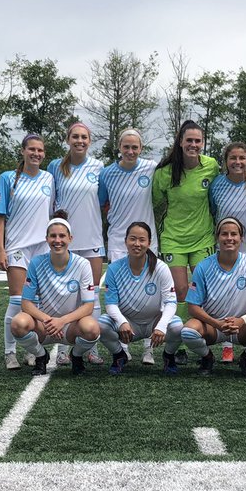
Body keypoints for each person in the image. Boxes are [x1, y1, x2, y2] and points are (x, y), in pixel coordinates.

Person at [181, 216, 246, 375]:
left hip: (242, 327)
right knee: (188, 331)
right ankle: (207, 357)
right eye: (224, 234)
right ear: (217, 237)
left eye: (234, 234)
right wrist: (217, 323)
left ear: (241, 238)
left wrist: (242, 320)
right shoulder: (203, 266)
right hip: (213, 326)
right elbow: (193, 307)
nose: (229, 238)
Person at [10, 214, 101, 376]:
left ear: (70, 238)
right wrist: (48, 320)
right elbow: (26, 303)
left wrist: (62, 321)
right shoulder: (37, 263)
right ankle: (40, 355)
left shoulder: (83, 264)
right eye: (53, 236)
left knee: (92, 328)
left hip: (71, 327)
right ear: (46, 239)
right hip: (44, 326)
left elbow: (88, 306)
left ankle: (76, 356)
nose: (57, 240)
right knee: (18, 323)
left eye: (62, 236)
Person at [0, 134, 55, 369]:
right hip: (17, 246)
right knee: (18, 300)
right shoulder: (8, 178)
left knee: (36, 303)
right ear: (22, 151)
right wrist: (1, 249)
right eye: (32, 149)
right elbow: (0, 217)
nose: (36, 154)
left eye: (40, 151)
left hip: (41, 248)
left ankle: (32, 350)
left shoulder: (49, 178)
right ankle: (9, 352)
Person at [98, 128, 158, 364]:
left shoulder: (151, 168)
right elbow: (102, 202)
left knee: (149, 293)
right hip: (118, 240)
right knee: (121, 293)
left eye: (135, 147)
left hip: (146, 240)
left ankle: (148, 347)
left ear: (141, 149)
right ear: (119, 148)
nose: (130, 151)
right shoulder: (107, 173)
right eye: (126, 147)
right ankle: (123, 343)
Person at [48, 122, 105, 365]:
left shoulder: (99, 167)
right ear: (68, 139)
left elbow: (103, 202)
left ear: (89, 141)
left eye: (84, 137)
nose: (79, 141)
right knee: (63, 296)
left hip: (92, 239)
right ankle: (61, 347)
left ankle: (91, 347)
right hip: (65, 241)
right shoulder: (54, 167)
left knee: (91, 294)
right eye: (75, 137)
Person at [98, 222, 183, 376]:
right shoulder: (114, 268)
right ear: (125, 241)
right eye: (133, 239)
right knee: (101, 325)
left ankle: (168, 356)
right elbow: (110, 304)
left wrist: (161, 326)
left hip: (154, 322)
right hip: (129, 325)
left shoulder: (160, 267)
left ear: (149, 243)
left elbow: (171, 302)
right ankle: (119, 355)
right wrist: (122, 322)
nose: (137, 244)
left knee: (177, 327)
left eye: (142, 240)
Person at [152, 119, 219, 303]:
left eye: (198, 141)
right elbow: (150, 202)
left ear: (202, 143)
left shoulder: (211, 166)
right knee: (180, 291)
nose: (193, 145)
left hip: (203, 237)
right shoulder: (164, 172)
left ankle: (202, 330)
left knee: (204, 287)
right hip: (173, 239)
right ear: (180, 142)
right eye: (189, 140)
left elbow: (225, 187)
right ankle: (180, 329)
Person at [209, 141, 246, 362]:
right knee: (227, 297)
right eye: (233, 158)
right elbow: (214, 211)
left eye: (242, 158)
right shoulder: (217, 185)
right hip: (226, 246)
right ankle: (226, 346)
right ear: (226, 161)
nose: (237, 162)